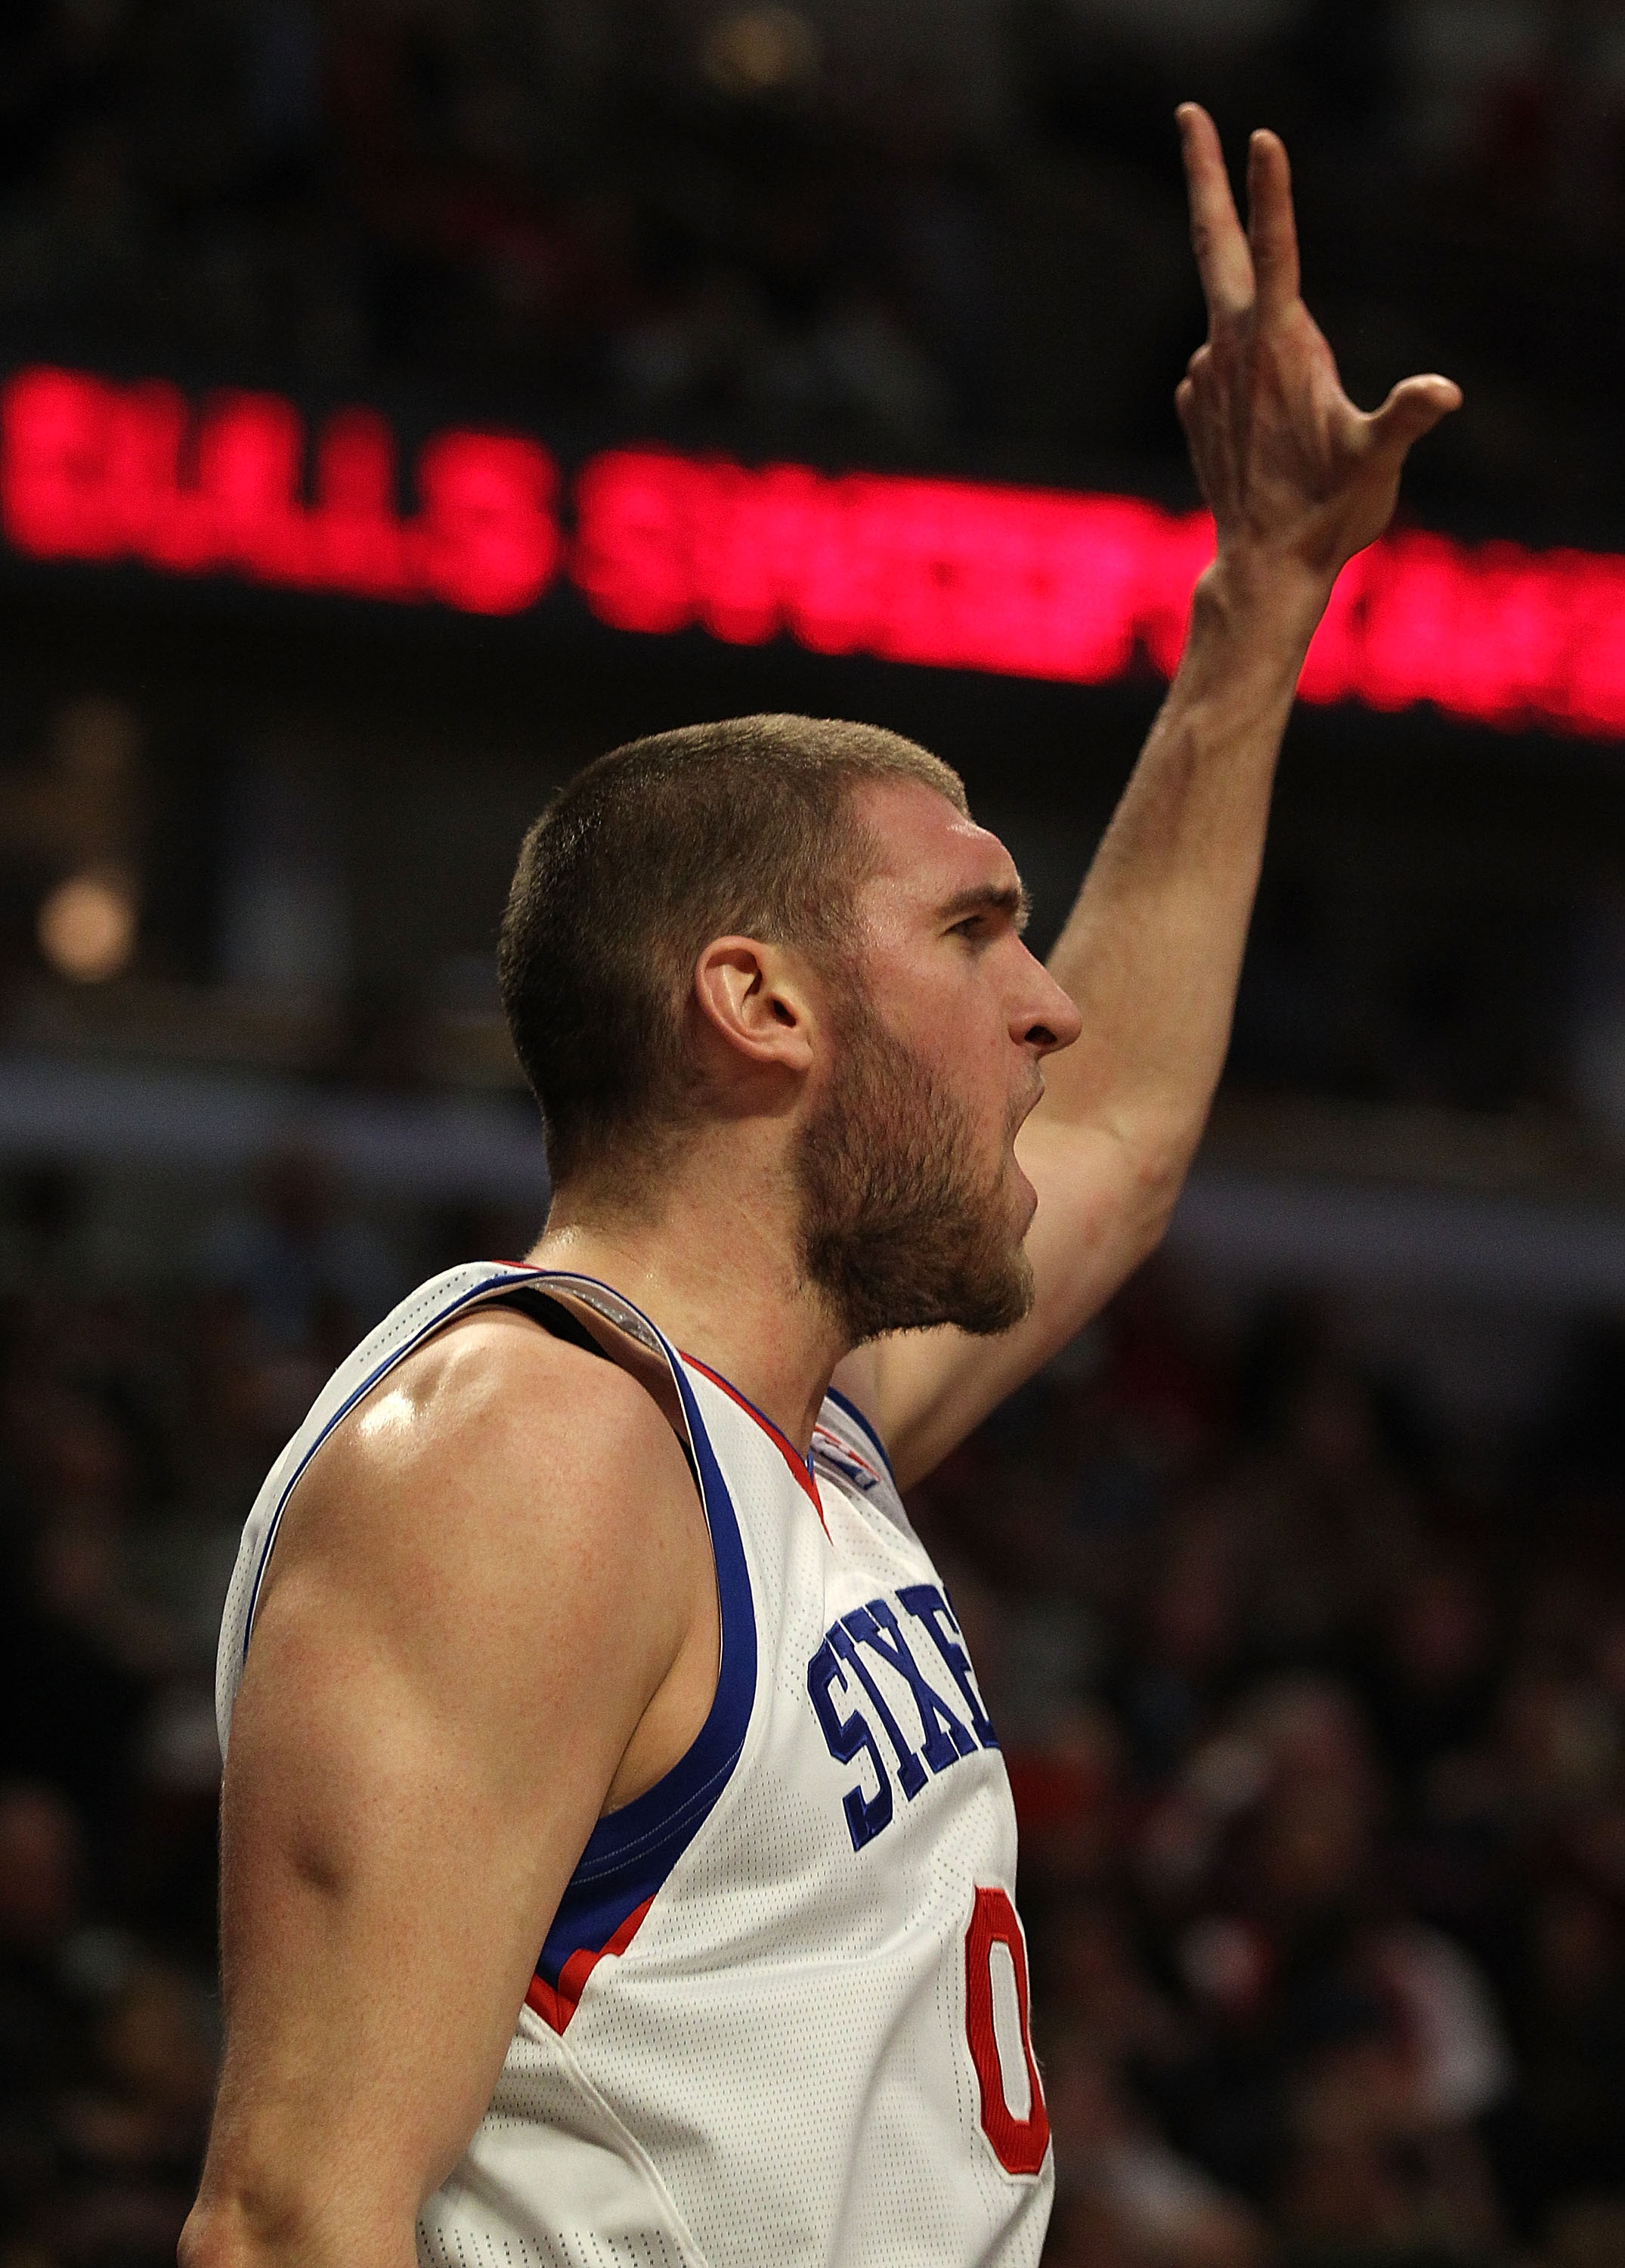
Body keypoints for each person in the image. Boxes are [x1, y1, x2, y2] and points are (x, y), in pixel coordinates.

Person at [181, 108, 1459, 2268]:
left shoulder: (790, 1446)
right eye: (977, 934)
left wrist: (1257, 606)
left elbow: (1125, 1137)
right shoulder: (528, 1454)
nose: (1048, 1011)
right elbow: (294, 2224)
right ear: (756, 1002)